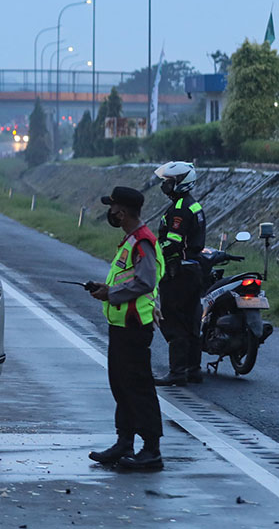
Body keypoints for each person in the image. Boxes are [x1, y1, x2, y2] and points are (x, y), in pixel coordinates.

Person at [87, 186, 166, 470]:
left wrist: (111, 294)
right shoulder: (131, 240)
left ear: (120, 212)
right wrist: (107, 289)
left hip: (134, 327)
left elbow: (146, 282)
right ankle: (125, 442)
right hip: (120, 326)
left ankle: (151, 450)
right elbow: (129, 279)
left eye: (112, 208)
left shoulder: (142, 241)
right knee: (121, 386)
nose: (109, 212)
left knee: (138, 388)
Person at [152, 162, 207, 386]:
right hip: (194, 269)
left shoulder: (180, 210)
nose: (165, 186)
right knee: (192, 321)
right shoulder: (193, 205)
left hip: (179, 271)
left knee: (174, 321)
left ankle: (177, 372)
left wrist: (152, 250)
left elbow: (173, 243)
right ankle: (193, 370)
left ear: (180, 183)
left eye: (168, 182)